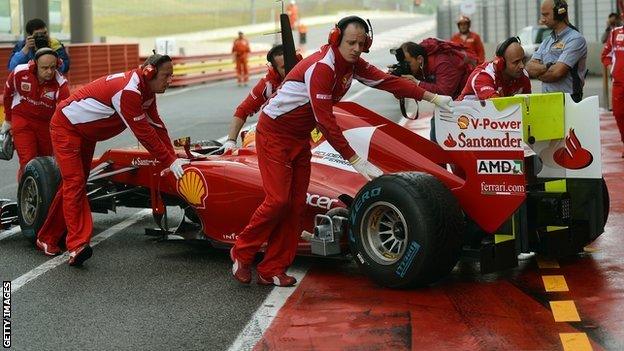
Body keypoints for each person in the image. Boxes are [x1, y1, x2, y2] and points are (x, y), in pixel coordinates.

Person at [229, 16, 453, 287]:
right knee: (278, 201)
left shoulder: (351, 64)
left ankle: (272, 268)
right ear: (336, 39)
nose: (357, 48)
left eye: (361, 43)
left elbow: (387, 82)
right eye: (351, 42)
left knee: (296, 206)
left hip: (299, 138)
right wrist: (354, 159)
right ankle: (242, 251)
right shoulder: (323, 67)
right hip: (273, 134)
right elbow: (325, 121)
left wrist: (432, 97)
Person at [35, 54, 189, 266]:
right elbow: (144, 133)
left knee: (75, 185)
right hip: (66, 127)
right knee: (75, 183)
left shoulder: (146, 91)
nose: (170, 80)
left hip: (85, 133)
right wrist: (168, 161)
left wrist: (173, 157)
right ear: (149, 73)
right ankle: (77, 245)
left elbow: (157, 126)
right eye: (166, 75)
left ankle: (47, 237)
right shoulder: (129, 92)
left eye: (172, 76)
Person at [1, 48, 69, 179]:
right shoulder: (19, 72)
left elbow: (63, 114)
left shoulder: (61, 85)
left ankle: (44, 193)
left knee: (47, 162)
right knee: (28, 160)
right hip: (22, 118)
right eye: (44, 68)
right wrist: (8, 120)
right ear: (35, 64)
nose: (49, 72)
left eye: (52, 67)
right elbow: (8, 95)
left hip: (46, 124)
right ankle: (25, 193)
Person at [224, 45, 300, 152]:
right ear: (275, 69)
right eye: (283, 67)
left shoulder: (312, 73)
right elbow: (242, 110)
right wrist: (230, 141)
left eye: (292, 63)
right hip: (278, 135)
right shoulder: (267, 85)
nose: (290, 68)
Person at [398, 39, 475, 140]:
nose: (406, 66)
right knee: (436, 133)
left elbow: (444, 91)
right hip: (450, 99)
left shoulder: (443, 62)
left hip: (466, 99)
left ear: (419, 59)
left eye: (407, 63)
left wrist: (417, 83)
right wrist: (397, 77)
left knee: (456, 137)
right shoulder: (421, 64)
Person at [526, 0, 587, 103]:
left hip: (568, 100)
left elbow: (556, 73)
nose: (542, 20)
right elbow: (529, 67)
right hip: (547, 100)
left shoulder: (575, 39)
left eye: (546, 15)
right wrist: (547, 67)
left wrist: (538, 74)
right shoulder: (547, 41)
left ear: (560, 13)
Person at [457, 37, 531, 101]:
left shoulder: (523, 75)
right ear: (501, 63)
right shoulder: (482, 76)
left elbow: (528, 104)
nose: (522, 66)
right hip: (462, 115)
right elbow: (497, 106)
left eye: (523, 60)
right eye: (516, 62)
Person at [601, 20, 624, 157]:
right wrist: (612, 69)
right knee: (619, 114)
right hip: (619, 83)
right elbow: (605, 55)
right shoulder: (615, 32)